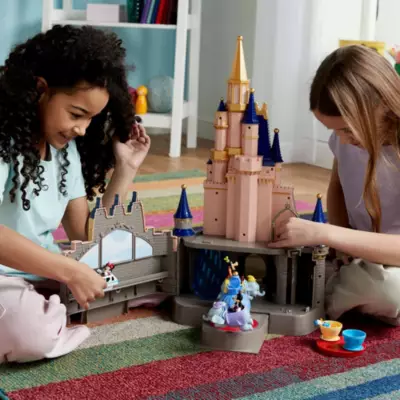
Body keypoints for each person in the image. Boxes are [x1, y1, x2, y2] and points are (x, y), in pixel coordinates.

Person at [0, 24, 150, 363]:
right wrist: (68, 271)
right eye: (76, 114)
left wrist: (125, 170)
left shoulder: (64, 150)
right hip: (13, 274)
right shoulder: (4, 144)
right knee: (30, 333)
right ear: (41, 89)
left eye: (90, 119)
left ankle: (48, 308)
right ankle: (47, 315)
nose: (82, 129)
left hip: (43, 273)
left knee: (129, 270)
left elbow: (84, 235)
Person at [269, 44, 400, 326]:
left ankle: (331, 291)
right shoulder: (345, 141)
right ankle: (348, 281)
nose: (341, 139)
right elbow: (338, 187)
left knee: (390, 293)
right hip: (363, 252)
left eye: (346, 130)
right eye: (333, 130)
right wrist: (342, 245)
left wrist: (326, 233)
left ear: (382, 106)